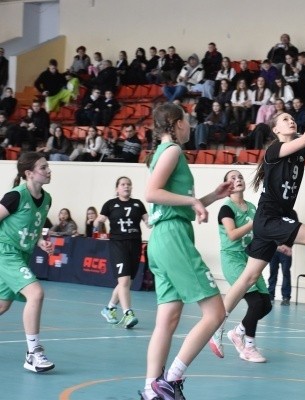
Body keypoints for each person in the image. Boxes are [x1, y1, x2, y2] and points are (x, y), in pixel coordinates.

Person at [210, 78, 305, 362]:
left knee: (248, 277)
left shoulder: (300, 152)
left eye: (292, 118)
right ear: (276, 129)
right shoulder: (274, 150)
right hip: (268, 218)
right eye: (285, 119)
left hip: (272, 220)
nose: (291, 121)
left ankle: (220, 328)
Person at [139, 103, 232, 400]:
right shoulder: (172, 151)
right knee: (216, 312)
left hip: (161, 239)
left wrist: (211, 196)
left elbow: (172, 202)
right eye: (188, 121)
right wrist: (193, 202)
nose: (190, 126)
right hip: (173, 238)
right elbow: (152, 193)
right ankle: (170, 379)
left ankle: (151, 389)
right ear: (177, 123)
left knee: (167, 319)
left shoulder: (162, 152)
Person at [0, 152, 54, 372]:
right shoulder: (15, 196)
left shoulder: (47, 199)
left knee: (2, 305)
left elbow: (34, 227)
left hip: (22, 254)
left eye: (48, 166)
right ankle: (33, 354)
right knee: (36, 293)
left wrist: (40, 241)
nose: (49, 170)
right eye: (43, 167)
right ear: (29, 173)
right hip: (5, 253)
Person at [215, 170, 273, 363]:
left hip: (250, 258)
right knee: (256, 303)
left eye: (239, 177)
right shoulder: (226, 208)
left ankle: (237, 332)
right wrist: (254, 224)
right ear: (227, 185)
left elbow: (259, 232)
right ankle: (249, 347)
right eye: (232, 178)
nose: (238, 179)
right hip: (233, 259)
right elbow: (232, 234)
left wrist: (278, 242)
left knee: (266, 305)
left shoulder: (251, 207)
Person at [96, 177, 149, 329]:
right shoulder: (110, 204)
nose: (126, 187)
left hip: (135, 244)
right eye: (123, 184)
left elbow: (148, 222)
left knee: (126, 283)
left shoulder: (138, 204)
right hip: (118, 244)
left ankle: (109, 309)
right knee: (124, 281)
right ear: (117, 188)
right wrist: (97, 223)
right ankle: (128, 313)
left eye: (129, 184)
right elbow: (99, 220)